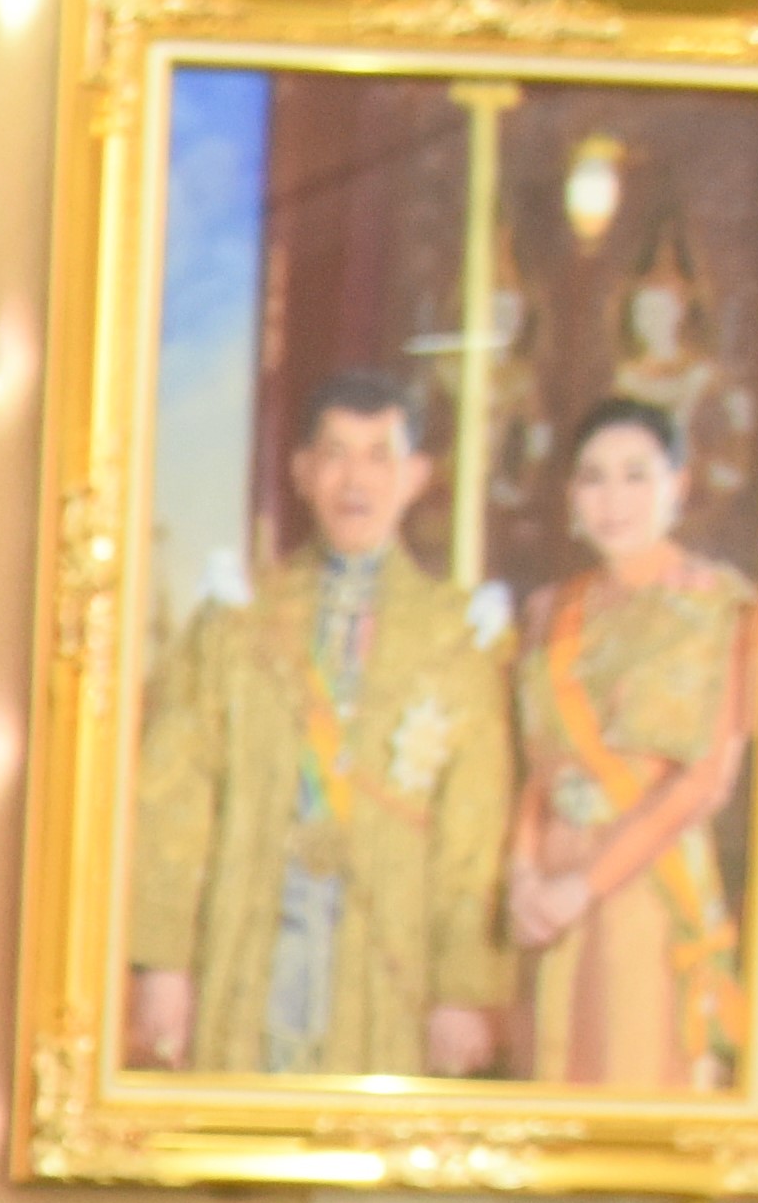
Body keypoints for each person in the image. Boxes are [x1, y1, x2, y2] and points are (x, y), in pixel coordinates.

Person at [119, 359, 512, 1082]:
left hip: (386, 941)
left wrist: (460, 992)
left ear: (416, 477)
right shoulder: (237, 622)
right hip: (251, 927)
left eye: (379, 456)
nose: (354, 480)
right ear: (302, 472)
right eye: (334, 454)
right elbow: (174, 796)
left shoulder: (455, 640)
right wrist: (163, 963)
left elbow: (474, 830)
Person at [509, 395, 757, 1094]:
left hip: (645, 888)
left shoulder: (719, 607)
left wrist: (582, 887)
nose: (612, 500)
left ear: (678, 485)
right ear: (570, 495)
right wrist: (523, 877)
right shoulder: (548, 612)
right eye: (593, 478)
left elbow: (704, 782)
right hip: (548, 899)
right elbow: (538, 770)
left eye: (635, 475)